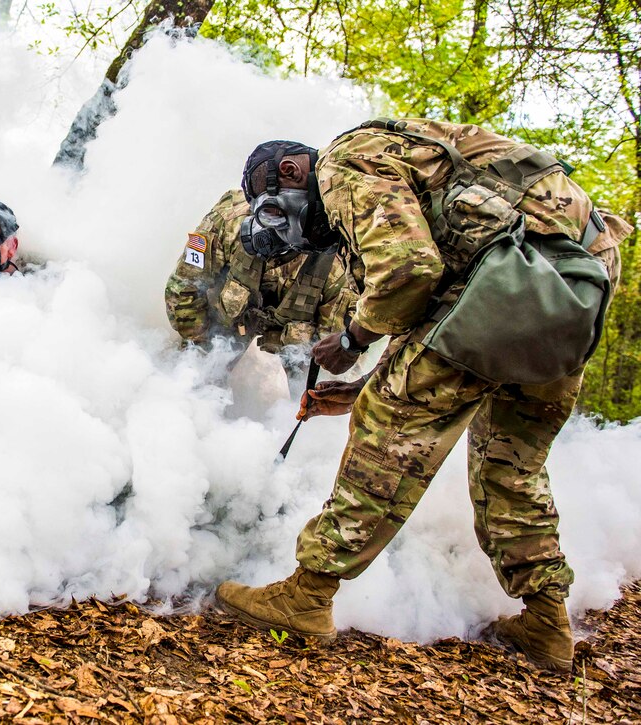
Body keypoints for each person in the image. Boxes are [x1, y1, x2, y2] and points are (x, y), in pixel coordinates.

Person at [215, 120, 630, 672]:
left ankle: (307, 596)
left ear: (290, 171)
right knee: (511, 464)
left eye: (274, 205)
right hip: (576, 285)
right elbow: (439, 298)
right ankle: (547, 622)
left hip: (507, 282)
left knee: (385, 435)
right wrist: (368, 377)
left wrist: (350, 341)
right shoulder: (415, 156)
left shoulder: (342, 162)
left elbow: (411, 271)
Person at [164, 180, 356, 376]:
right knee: (196, 373)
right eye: (269, 214)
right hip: (229, 316)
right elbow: (183, 288)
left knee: (316, 385)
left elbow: (334, 358)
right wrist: (200, 343)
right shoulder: (230, 219)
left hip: (302, 329)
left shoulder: (337, 265)